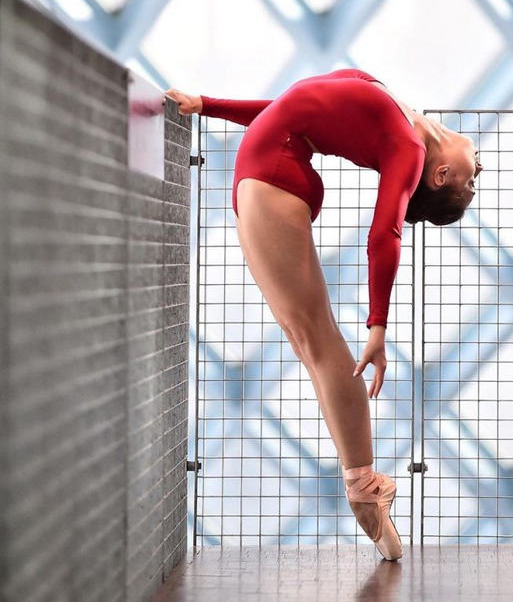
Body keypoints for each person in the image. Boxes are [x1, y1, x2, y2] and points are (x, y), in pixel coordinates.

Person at [167, 69, 482, 560]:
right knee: (309, 341)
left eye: (469, 186)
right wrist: (205, 104)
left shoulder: (410, 148)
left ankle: (362, 485)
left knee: (317, 342)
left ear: (441, 176)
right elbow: (288, 106)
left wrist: (377, 327)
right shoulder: (401, 117)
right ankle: (364, 488)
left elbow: (385, 234)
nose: (477, 174)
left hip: (272, 176)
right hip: (271, 170)